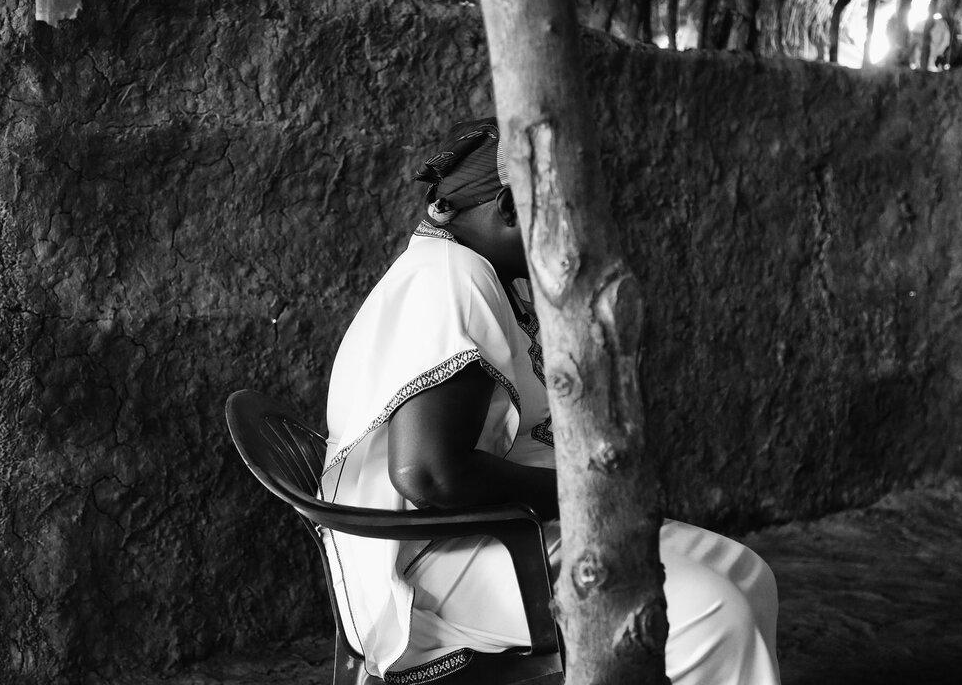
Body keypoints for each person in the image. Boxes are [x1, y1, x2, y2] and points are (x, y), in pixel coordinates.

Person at [319, 117, 781, 684]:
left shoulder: (472, 269)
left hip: (493, 527)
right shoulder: (450, 280)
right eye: (565, 216)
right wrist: (584, 494)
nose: (575, 237)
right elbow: (427, 474)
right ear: (509, 208)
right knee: (715, 617)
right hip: (434, 557)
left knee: (749, 575)